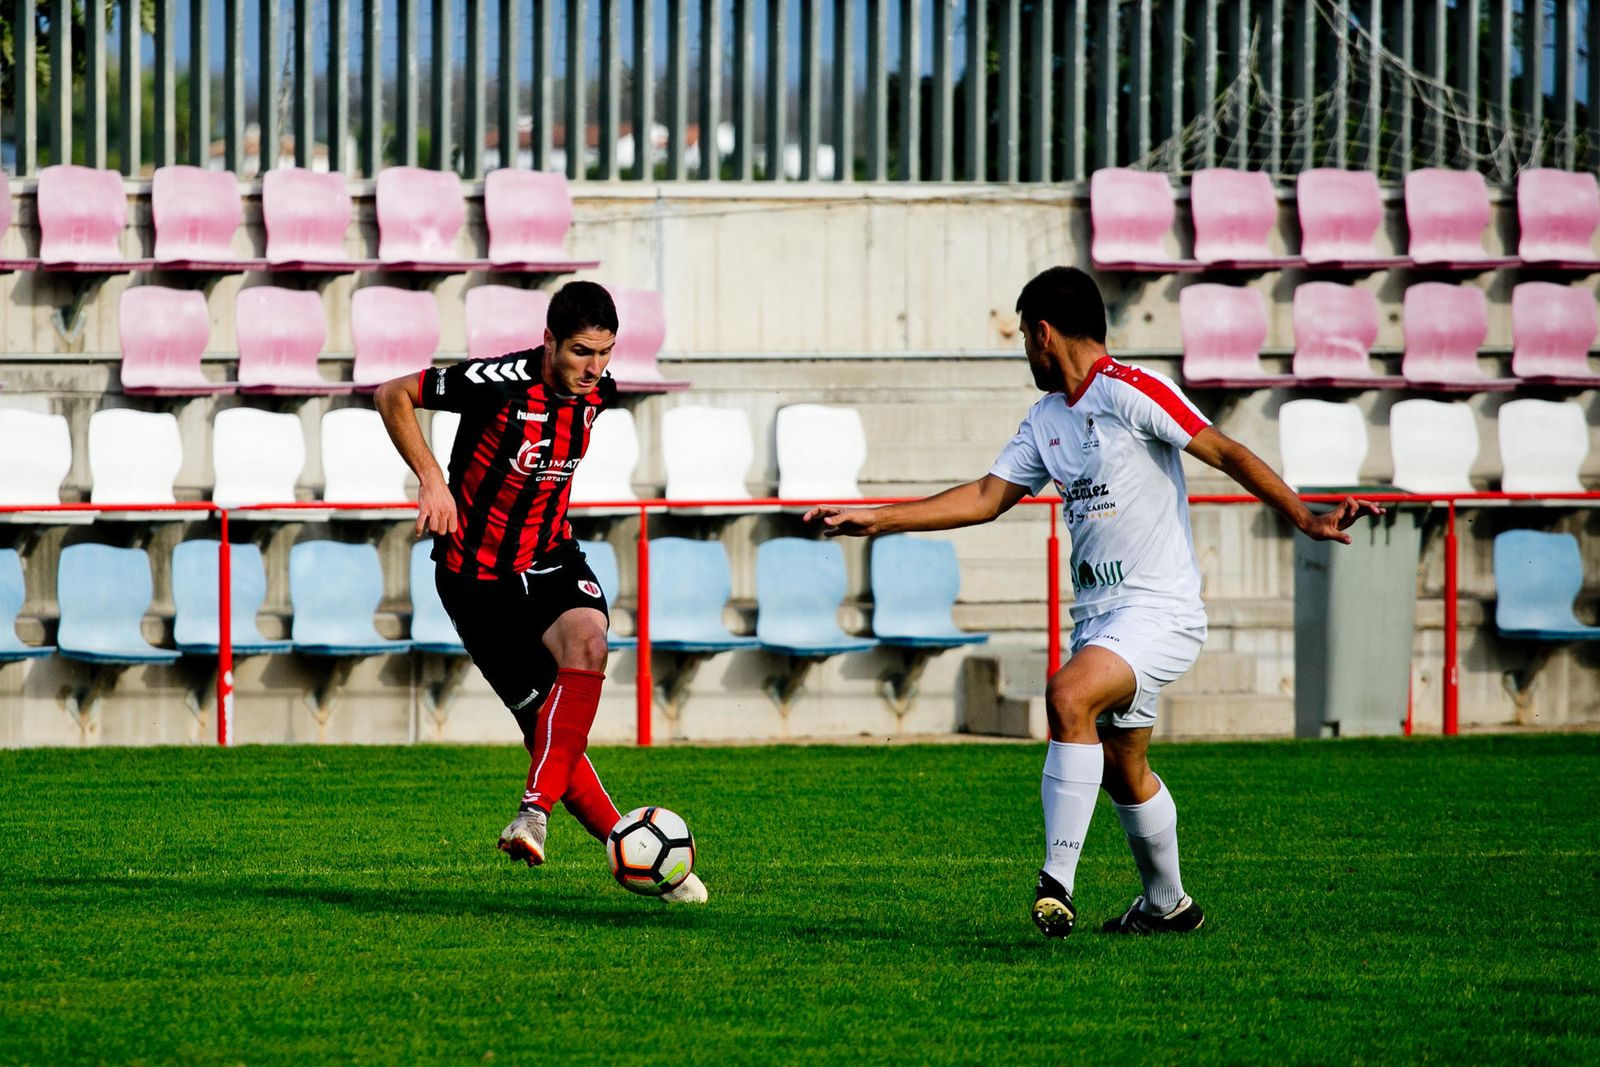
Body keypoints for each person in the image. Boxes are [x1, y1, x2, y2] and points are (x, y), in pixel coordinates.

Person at [805, 267, 1379, 936]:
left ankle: (1057, 882)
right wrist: (875, 518)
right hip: (1102, 619)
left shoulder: (1131, 392)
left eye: (1024, 337)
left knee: (1068, 695)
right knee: (1122, 767)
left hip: (1161, 609)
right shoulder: (1047, 419)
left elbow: (1224, 449)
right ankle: (1169, 905)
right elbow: (986, 497)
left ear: (1044, 333)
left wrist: (1305, 516)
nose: (1026, 351)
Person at [375, 280, 707, 905]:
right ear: (549, 340)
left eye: (606, 352)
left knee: (590, 642)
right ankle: (630, 846)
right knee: (545, 730)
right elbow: (392, 393)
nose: (595, 368)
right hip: (477, 583)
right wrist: (431, 481)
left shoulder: (598, 394)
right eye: (582, 351)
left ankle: (535, 812)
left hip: (550, 556)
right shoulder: (496, 382)